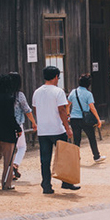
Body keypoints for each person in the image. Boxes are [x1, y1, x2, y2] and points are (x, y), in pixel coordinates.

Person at [32, 65, 79, 194]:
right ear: (56, 77)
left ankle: (46, 185)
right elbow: (62, 110)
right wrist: (67, 128)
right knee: (64, 157)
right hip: (57, 129)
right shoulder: (58, 91)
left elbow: (35, 109)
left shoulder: (37, 91)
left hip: (43, 131)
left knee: (45, 159)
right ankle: (66, 182)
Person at [67, 73, 106, 163]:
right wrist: (98, 119)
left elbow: (67, 104)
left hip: (74, 119)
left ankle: (75, 158)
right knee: (91, 138)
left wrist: (68, 115)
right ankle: (96, 156)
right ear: (89, 84)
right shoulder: (88, 94)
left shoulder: (73, 92)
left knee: (76, 139)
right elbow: (92, 107)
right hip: (85, 119)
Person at [8, 72, 36, 180]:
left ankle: (10, 170)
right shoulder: (19, 95)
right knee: (22, 147)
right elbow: (27, 110)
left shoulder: (4, 94)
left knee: (8, 149)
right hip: (17, 125)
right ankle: (15, 165)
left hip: (4, 124)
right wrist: (33, 122)